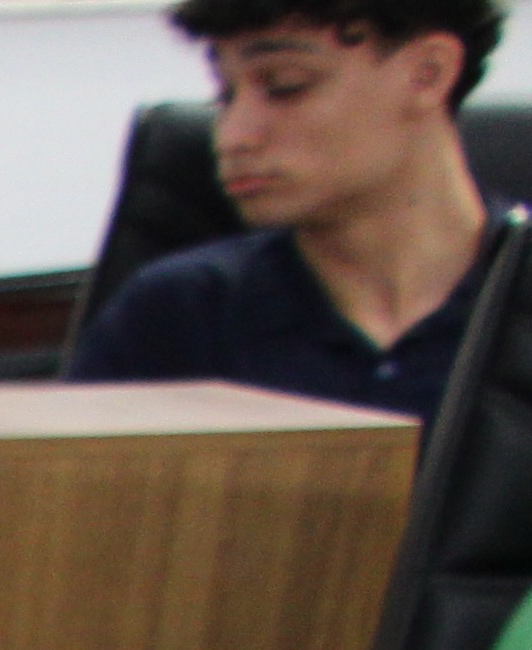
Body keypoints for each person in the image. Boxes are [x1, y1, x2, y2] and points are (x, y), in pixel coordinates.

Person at [68, 0, 510, 418]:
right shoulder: (173, 317)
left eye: (286, 86)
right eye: (224, 95)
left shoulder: (515, 303)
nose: (232, 136)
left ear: (428, 74)